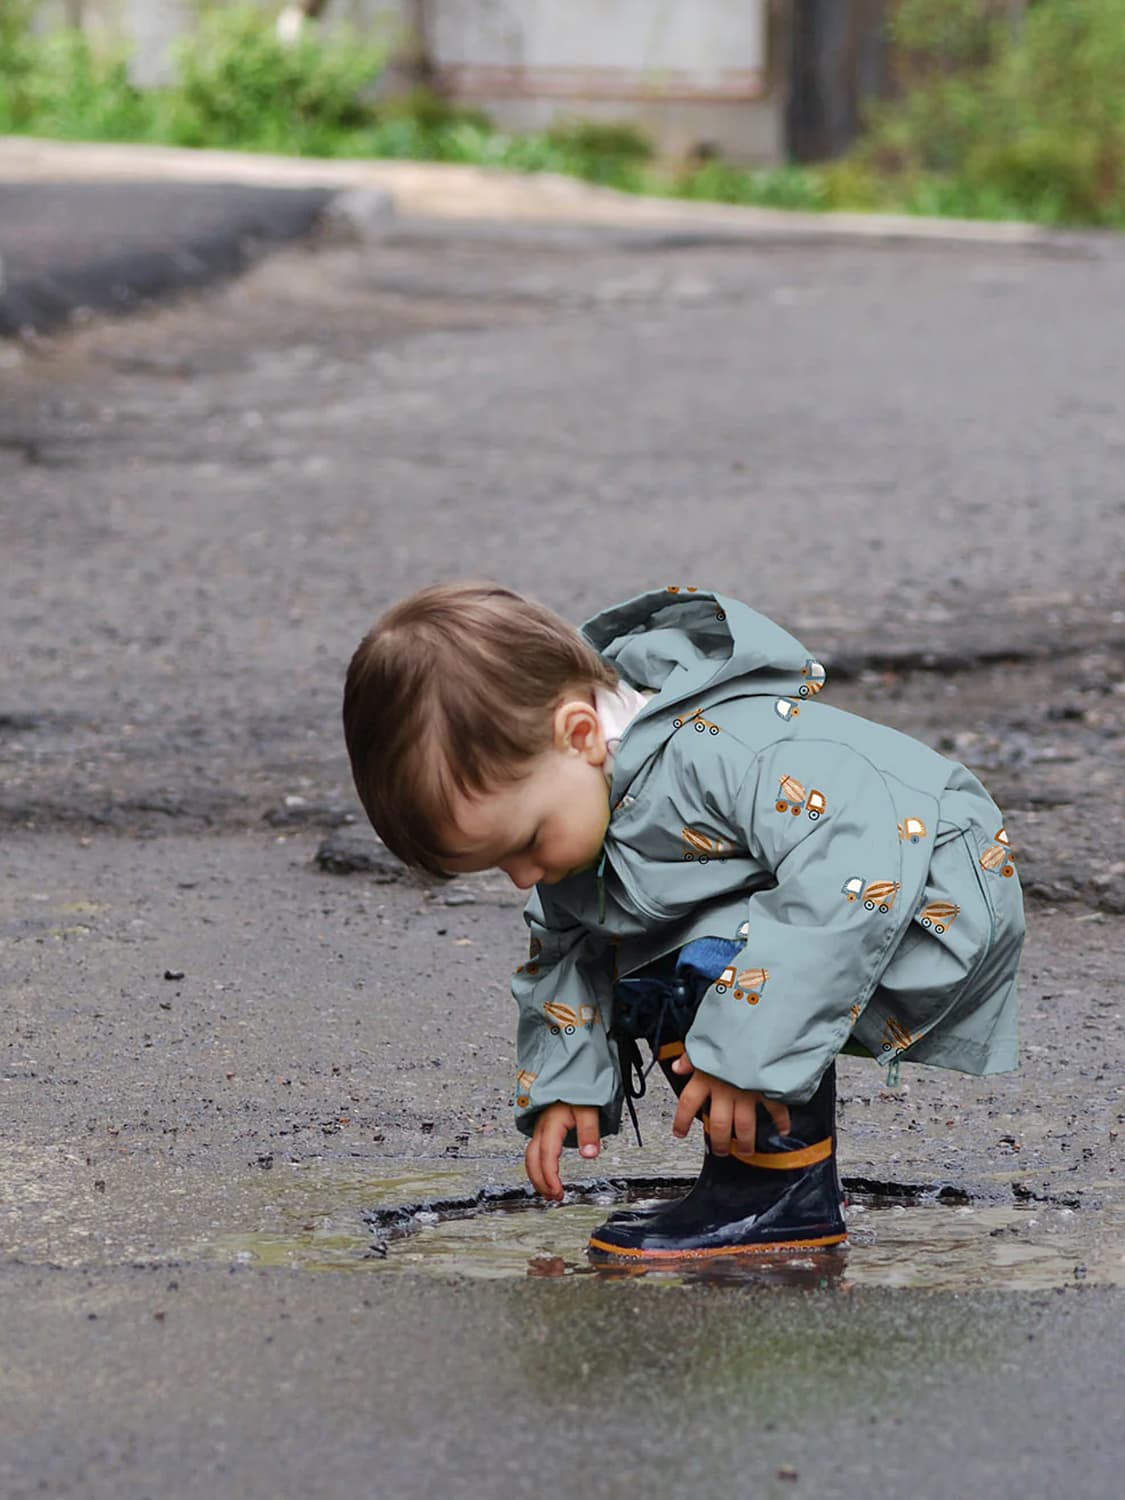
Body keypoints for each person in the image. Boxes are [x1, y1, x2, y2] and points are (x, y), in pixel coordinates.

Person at [342, 582, 1024, 1261]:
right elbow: (567, 949)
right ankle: (750, 1181)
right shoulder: (591, 792)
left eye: (524, 842)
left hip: (931, 894)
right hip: (849, 896)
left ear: (579, 734)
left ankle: (776, 1196)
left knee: (687, 967)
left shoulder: (721, 753)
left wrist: (744, 1053)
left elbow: (848, 879)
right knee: (647, 959)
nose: (522, 877)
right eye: (497, 864)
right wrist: (565, 1087)